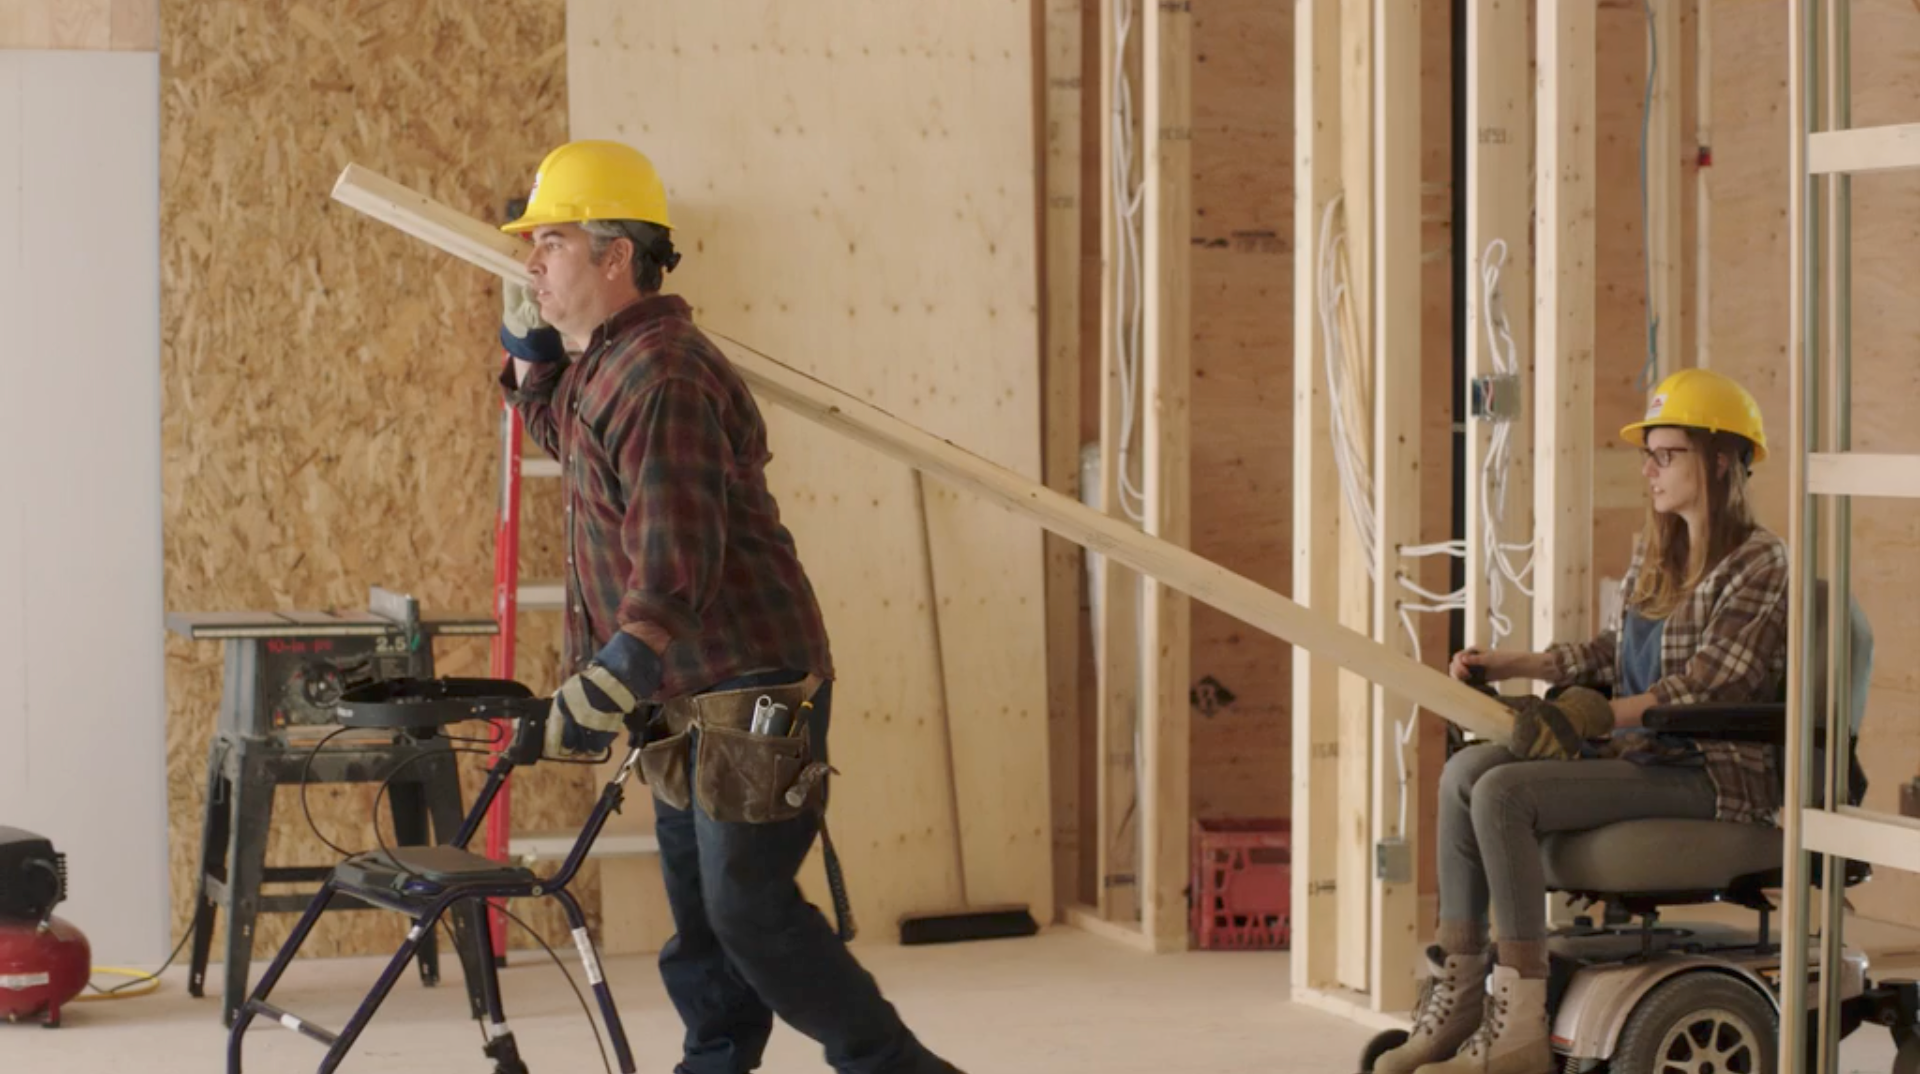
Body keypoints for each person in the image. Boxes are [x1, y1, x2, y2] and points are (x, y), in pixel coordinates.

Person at [494, 139, 964, 1074]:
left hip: (750, 683)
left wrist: (612, 675)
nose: (532, 264)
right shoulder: (607, 367)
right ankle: (715, 1064)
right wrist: (532, 361)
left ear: (615, 255)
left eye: (551, 243)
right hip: (684, 689)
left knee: (749, 909)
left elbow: (677, 554)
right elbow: (570, 442)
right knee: (705, 918)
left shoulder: (661, 373)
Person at [1375, 368, 1790, 1074]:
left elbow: (1707, 685)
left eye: (1667, 454)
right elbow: (1607, 653)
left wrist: (1592, 715)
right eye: (1648, 455)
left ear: (1721, 459)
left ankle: (1520, 1021)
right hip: (1640, 756)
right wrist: (1516, 663)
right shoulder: (1658, 553)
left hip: (1706, 773)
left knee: (1505, 792)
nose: (1650, 470)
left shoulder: (1759, 562)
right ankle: (1463, 994)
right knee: (1465, 772)